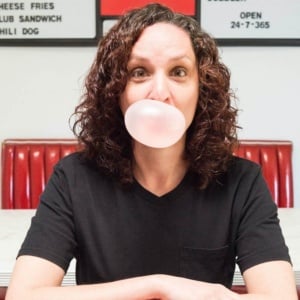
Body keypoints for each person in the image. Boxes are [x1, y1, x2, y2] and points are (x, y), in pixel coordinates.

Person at [6, 3, 297, 300]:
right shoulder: (74, 179)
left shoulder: (241, 183)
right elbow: (23, 296)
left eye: (179, 71)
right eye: (140, 72)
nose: (159, 92)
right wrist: (158, 285)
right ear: (115, 90)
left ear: (202, 90)